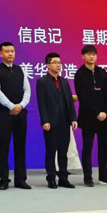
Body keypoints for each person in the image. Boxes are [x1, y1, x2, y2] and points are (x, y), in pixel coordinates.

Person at [74, 45, 107, 187]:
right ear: (83, 56)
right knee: (88, 147)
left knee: (103, 147)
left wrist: (105, 111)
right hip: (88, 116)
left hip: (104, 116)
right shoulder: (80, 74)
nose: (91, 56)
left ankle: (103, 175)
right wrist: (96, 112)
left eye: (93, 54)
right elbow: (82, 97)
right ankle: (88, 177)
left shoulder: (102, 72)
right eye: (88, 54)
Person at [0, 42, 32, 190]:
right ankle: (4, 180)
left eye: (12, 51)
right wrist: (10, 106)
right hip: (5, 114)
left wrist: (21, 105)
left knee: (20, 146)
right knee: (3, 147)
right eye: (7, 51)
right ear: (1, 53)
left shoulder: (20, 70)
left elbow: (27, 89)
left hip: (20, 113)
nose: (10, 54)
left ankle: (20, 179)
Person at [37, 53, 78, 189]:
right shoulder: (42, 82)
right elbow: (41, 103)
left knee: (63, 151)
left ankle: (63, 178)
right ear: (48, 65)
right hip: (51, 122)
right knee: (51, 151)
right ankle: (51, 178)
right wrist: (44, 120)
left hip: (64, 121)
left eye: (60, 62)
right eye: (55, 62)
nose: (58, 65)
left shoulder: (64, 81)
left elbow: (69, 102)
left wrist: (73, 118)